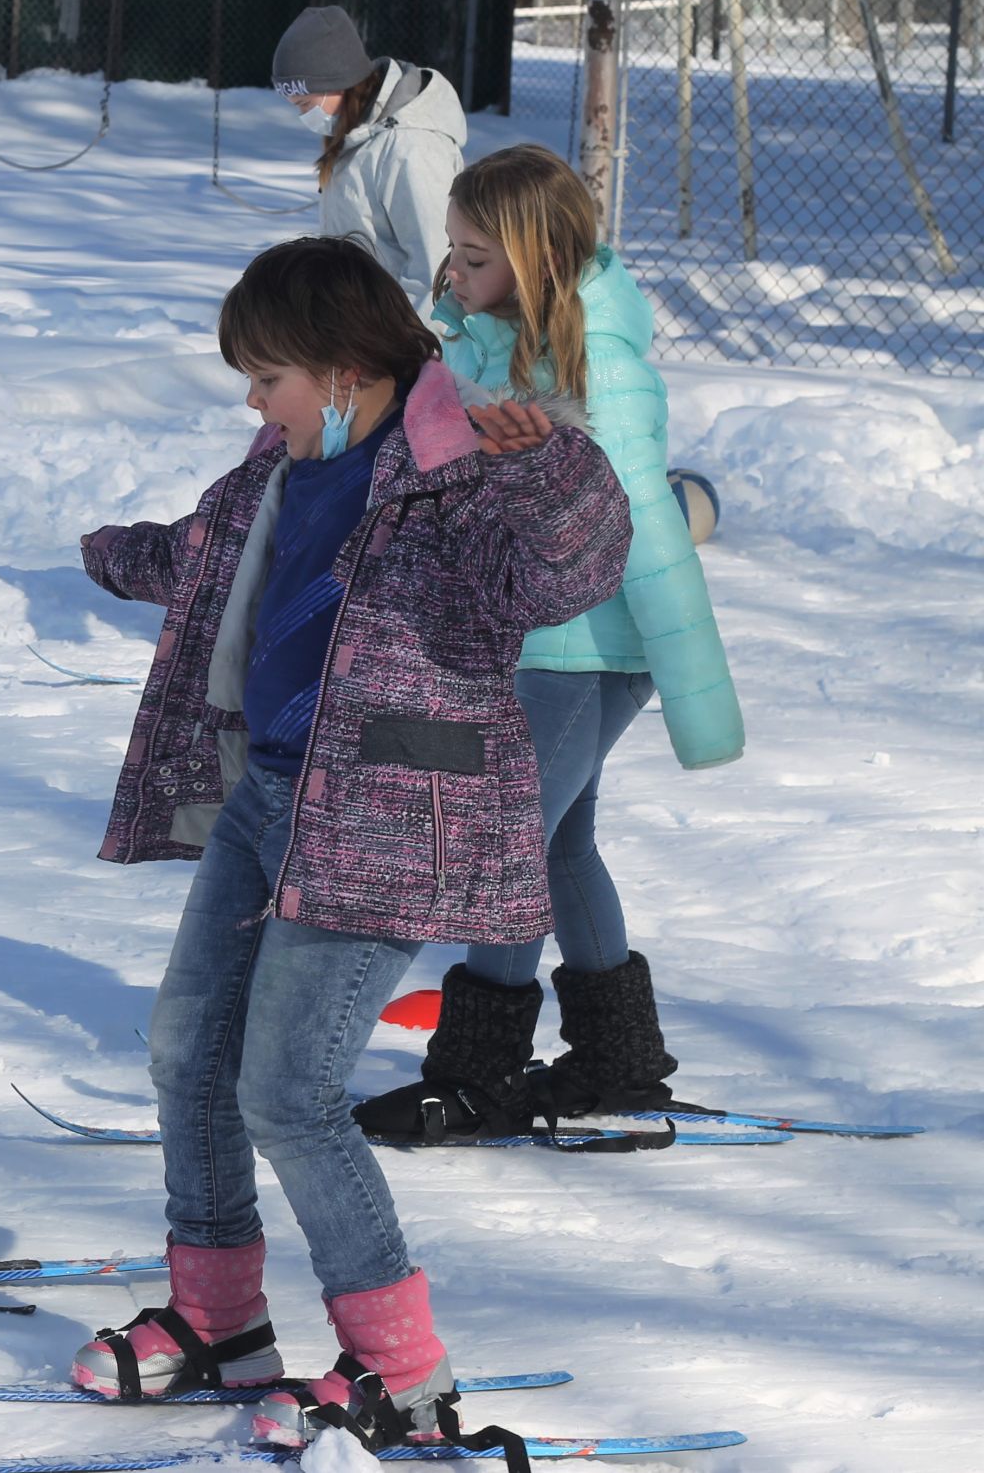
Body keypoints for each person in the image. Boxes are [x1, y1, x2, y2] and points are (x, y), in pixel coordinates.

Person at [66, 236, 631, 1455]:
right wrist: (112, 553)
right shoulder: (286, 462)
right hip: (269, 793)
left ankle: (401, 1369)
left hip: (387, 820)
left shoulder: (457, 475)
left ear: (340, 370)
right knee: (186, 1051)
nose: (251, 402)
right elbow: (213, 553)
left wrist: (548, 470)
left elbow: (567, 571)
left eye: (265, 376)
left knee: (287, 1089)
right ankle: (218, 1320)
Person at [356, 144, 745, 1144]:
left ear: (536, 260)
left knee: (509, 847)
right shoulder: (488, 339)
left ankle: (478, 1071)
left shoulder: (595, 364)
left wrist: (694, 687)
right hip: (529, 637)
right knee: (559, 843)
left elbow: (643, 522)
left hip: (589, 644)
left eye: (474, 256)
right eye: (452, 250)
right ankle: (617, 1058)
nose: (452, 271)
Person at [271, 5, 465, 300]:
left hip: (397, 325)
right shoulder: (356, 138)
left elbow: (436, 268)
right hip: (361, 319)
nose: (303, 116)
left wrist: (408, 330)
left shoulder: (411, 147)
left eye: (305, 104)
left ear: (336, 82)